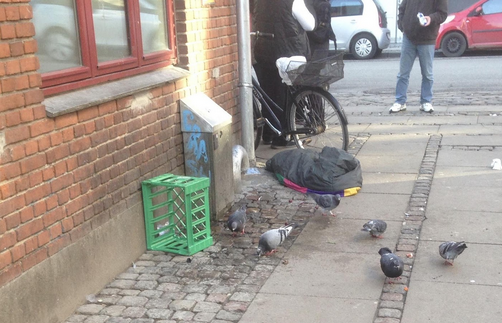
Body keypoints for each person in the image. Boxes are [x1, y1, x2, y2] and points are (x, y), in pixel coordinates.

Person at [253, 0, 316, 148]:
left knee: (268, 94)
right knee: (286, 95)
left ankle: (269, 133)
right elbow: (310, 25)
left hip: (265, 53)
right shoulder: (293, 1)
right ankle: (283, 137)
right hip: (288, 54)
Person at [389, 0, 447, 114]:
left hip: (427, 38)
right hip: (409, 37)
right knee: (403, 73)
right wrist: (402, 25)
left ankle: (426, 101)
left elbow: (442, 14)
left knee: (427, 74)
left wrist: (431, 18)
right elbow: (402, 8)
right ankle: (400, 101)